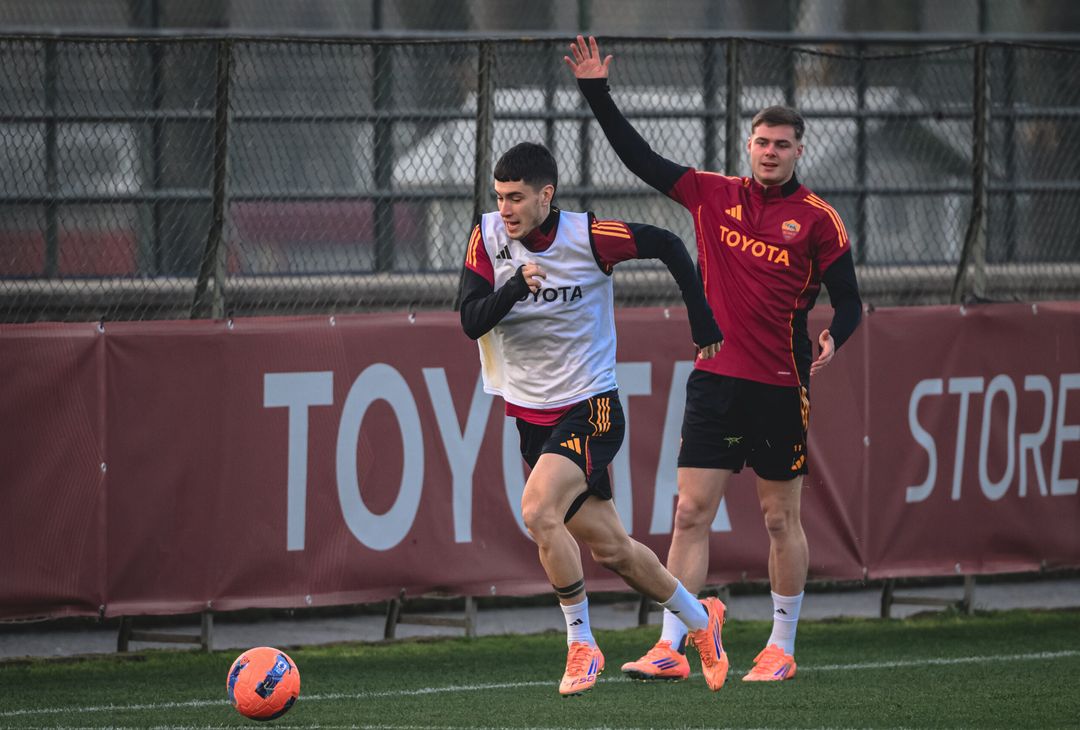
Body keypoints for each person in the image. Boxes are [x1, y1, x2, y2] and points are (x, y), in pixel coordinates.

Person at [566, 35, 864, 683]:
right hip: (715, 382)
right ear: (748, 146)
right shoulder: (711, 193)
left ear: (799, 151)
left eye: (783, 144)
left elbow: (850, 301)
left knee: (778, 517)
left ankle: (782, 645)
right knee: (689, 513)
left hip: (782, 386)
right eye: (762, 142)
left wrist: (835, 336)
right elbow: (640, 158)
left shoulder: (818, 220)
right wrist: (595, 91)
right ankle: (677, 641)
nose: (770, 152)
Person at [459, 141, 730, 695]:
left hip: (592, 407)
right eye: (499, 197)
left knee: (537, 511)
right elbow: (469, 320)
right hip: (532, 420)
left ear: (546, 196)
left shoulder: (588, 236)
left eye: (516, 198)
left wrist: (701, 320)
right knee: (614, 551)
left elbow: (669, 243)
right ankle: (703, 622)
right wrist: (515, 287)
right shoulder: (487, 237)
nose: (505, 209)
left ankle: (581, 643)